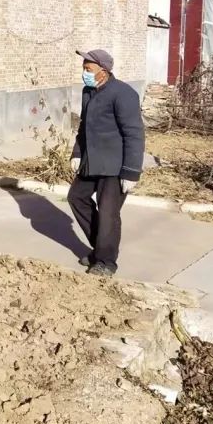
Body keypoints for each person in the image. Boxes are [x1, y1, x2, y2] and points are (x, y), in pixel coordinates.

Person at [68, 48, 145, 277]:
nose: (84, 73)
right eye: (83, 68)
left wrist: (131, 173)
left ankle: (106, 262)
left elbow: (134, 133)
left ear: (103, 71)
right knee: (76, 197)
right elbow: (84, 127)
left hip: (115, 166)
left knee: (108, 214)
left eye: (88, 69)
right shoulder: (88, 92)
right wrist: (77, 153)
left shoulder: (123, 94)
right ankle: (102, 247)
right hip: (91, 161)